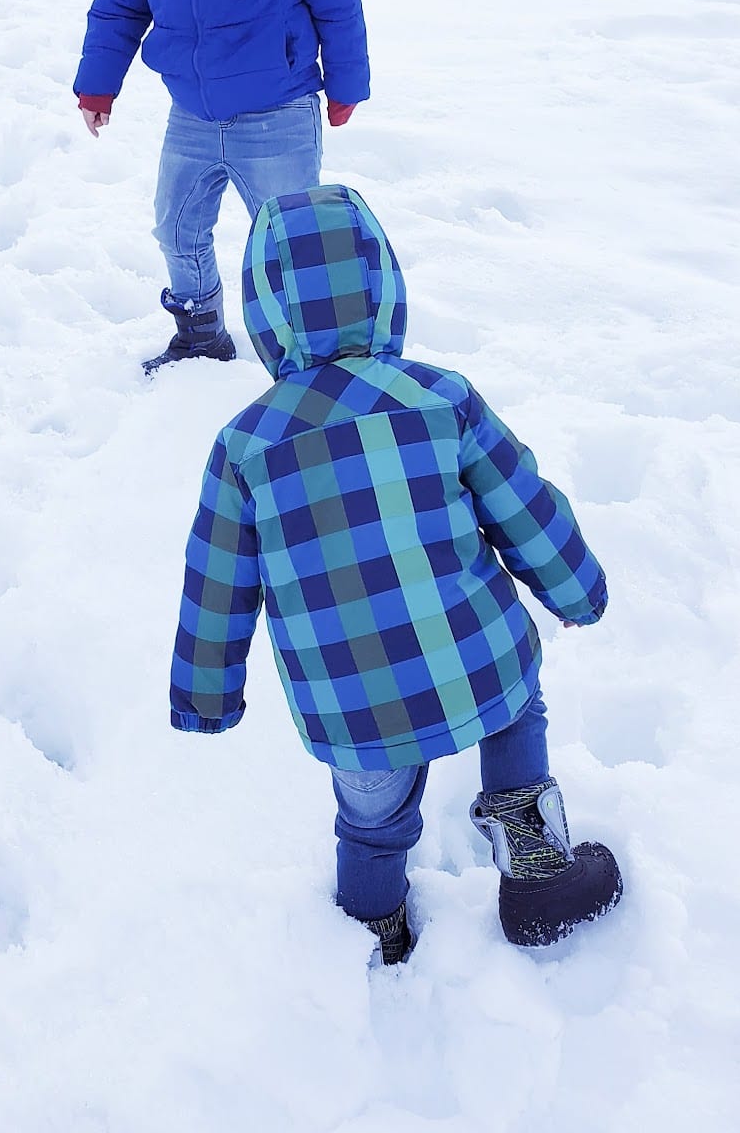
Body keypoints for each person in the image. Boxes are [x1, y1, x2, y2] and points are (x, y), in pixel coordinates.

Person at [169, 184, 623, 966]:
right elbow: (521, 504)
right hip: (477, 659)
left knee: (372, 822)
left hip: (353, 703)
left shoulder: (245, 446)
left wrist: (206, 697)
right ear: (383, 286)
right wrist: (577, 588)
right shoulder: (441, 398)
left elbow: (216, 585)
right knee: (515, 714)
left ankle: (373, 935)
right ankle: (537, 874)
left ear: (266, 313)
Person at [74, 0, 370, 374]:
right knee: (176, 230)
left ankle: (315, 360)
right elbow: (121, 0)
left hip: (279, 112)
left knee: (295, 243)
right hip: (192, 113)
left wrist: (346, 81)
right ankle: (201, 332)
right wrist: (99, 84)